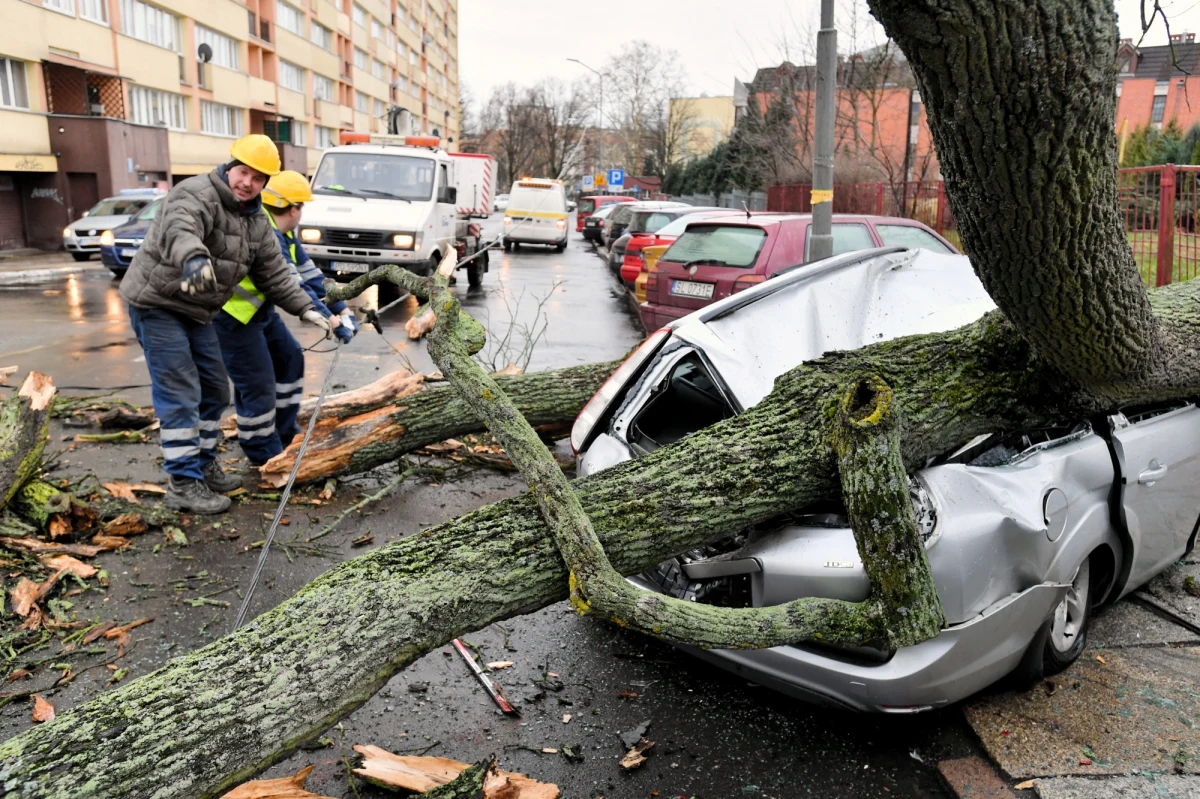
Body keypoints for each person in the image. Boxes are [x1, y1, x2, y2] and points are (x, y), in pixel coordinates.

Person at [120, 135, 336, 515]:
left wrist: (307, 309)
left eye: (257, 178)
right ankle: (183, 483)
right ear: (231, 166)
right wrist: (193, 260)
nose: (247, 182)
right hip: (157, 304)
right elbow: (181, 228)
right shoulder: (196, 193)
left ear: (265, 184)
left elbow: (275, 274)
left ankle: (202, 465)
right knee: (181, 390)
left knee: (215, 391)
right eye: (243, 172)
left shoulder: (255, 222)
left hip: (198, 312)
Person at [214, 170, 358, 466]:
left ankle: (284, 430)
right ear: (294, 209)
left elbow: (310, 274)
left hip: (258, 312)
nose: (301, 214)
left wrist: (343, 309)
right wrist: (328, 320)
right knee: (258, 382)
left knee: (291, 358)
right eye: (302, 207)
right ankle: (262, 452)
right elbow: (292, 284)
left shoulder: (287, 234)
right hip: (232, 317)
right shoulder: (266, 232)